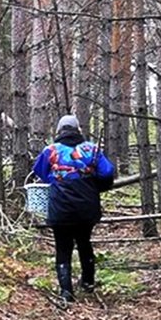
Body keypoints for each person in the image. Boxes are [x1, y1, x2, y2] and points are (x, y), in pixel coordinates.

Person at [32, 114, 116, 303]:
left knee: (63, 247)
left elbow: (39, 171)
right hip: (87, 207)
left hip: (60, 207)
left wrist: (55, 179)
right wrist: (94, 184)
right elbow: (108, 171)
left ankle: (66, 292)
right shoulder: (92, 149)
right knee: (84, 242)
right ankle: (88, 283)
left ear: (59, 131)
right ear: (78, 130)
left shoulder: (50, 150)